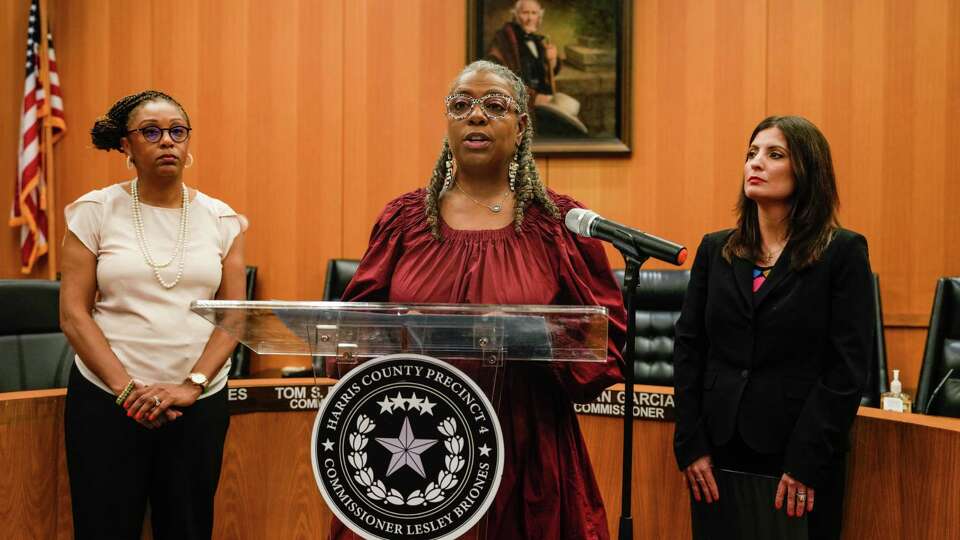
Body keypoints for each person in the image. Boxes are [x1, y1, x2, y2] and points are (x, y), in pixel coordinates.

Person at [331, 60, 626, 539]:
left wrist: (533, 338)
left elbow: (605, 339)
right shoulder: (404, 221)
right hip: (414, 443)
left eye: (495, 105)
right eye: (461, 104)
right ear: (447, 121)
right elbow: (354, 328)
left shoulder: (560, 223)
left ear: (522, 124)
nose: (476, 115)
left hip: (526, 443)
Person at [672, 116, 874, 539]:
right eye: (751, 154)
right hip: (716, 451)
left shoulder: (843, 253)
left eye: (774, 154)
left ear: (807, 170)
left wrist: (805, 461)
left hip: (797, 453)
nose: (755, 164)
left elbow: (846, 368)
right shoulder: (716, 249)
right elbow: (689, 348)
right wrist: (691, 445)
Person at [59, 90, 248, 539]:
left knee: (187, 528)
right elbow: (73, 314)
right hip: (107, 401)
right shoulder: (94, 211)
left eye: (176, 132)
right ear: (126, 145)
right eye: (151, 132)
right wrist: (128, 391)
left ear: (188, 142)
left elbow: (235, 317)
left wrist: (191, 386)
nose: (167, 141)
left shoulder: (221, 219)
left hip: (196, 406)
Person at [486, 0, 586, 136]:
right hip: (524, 108)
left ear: (539, 17)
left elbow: (543, 73)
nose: (530, 18)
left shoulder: (537, 41)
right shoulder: (504, 40)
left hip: (546, 104)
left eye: (534, 13)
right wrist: (534, 98)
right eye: (525, 13)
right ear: (515, 15)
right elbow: (500, 80)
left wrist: (553, 61)